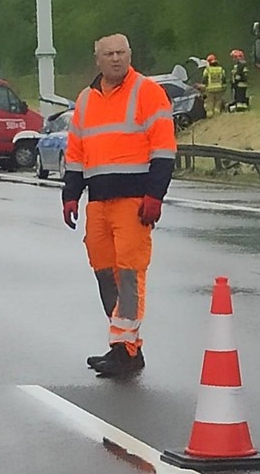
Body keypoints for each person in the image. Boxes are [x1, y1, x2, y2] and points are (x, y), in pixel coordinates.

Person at [61, 33, 177, 378]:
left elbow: (164, 149)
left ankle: (126, 350)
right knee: (104, 273)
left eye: (122, 53)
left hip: (134, 201)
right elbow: (76, 153)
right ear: (97, 60)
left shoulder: (148, 93)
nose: (116, 59)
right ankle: (124, 346)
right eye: (109, 54)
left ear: (130, 54)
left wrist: (155, 195)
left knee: (128, 274)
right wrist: (71, 194)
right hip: (98, 201)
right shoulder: (86, 100)